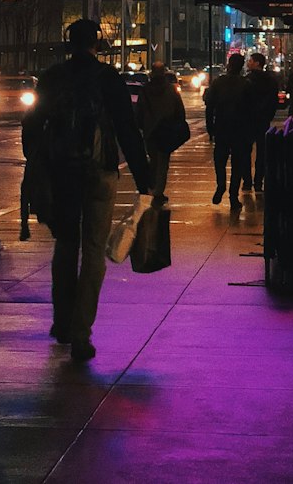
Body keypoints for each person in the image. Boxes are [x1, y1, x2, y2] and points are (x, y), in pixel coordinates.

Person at [33, 18, 150, 362]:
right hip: (100, 173)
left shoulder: (53, 78)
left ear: (69, 44)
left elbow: (34, 125)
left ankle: (62, 322)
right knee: (94, 250)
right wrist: (145, 181)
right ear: (96, 44)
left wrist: (40, 166)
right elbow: (127, 130)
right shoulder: (108, 79)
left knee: (65, 245)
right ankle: (82, 334)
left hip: (62, 173)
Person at [203, 51, 253, 212]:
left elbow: (209, 105)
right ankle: (233, 195)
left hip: (222, 126)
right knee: (238, 163)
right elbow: (252, 108)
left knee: (220, 160)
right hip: (240, 128)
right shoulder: (246, 84)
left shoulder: (218, 83)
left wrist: (210, 127)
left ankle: (221, 185)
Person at [136, 61, 187, 205]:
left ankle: (151, 185)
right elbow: (179, 110)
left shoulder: (145, 90)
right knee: (163, 162)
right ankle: (158, 191)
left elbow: (139, 111)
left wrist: (142, 125)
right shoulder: (170, 90)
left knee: (153, 160)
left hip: (150, 130)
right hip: (166, 130)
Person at [244, 52, 280, 191]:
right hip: (263, 119)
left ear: (257, 63)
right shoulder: (270, 80)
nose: (249, 63)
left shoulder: (248, 80)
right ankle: (258, 181)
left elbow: (243, 100)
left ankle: (247, 181)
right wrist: (267, 115)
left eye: (251, 61)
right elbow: (273, 101)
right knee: (262, 152)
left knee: (246, 151)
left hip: (248, 120)